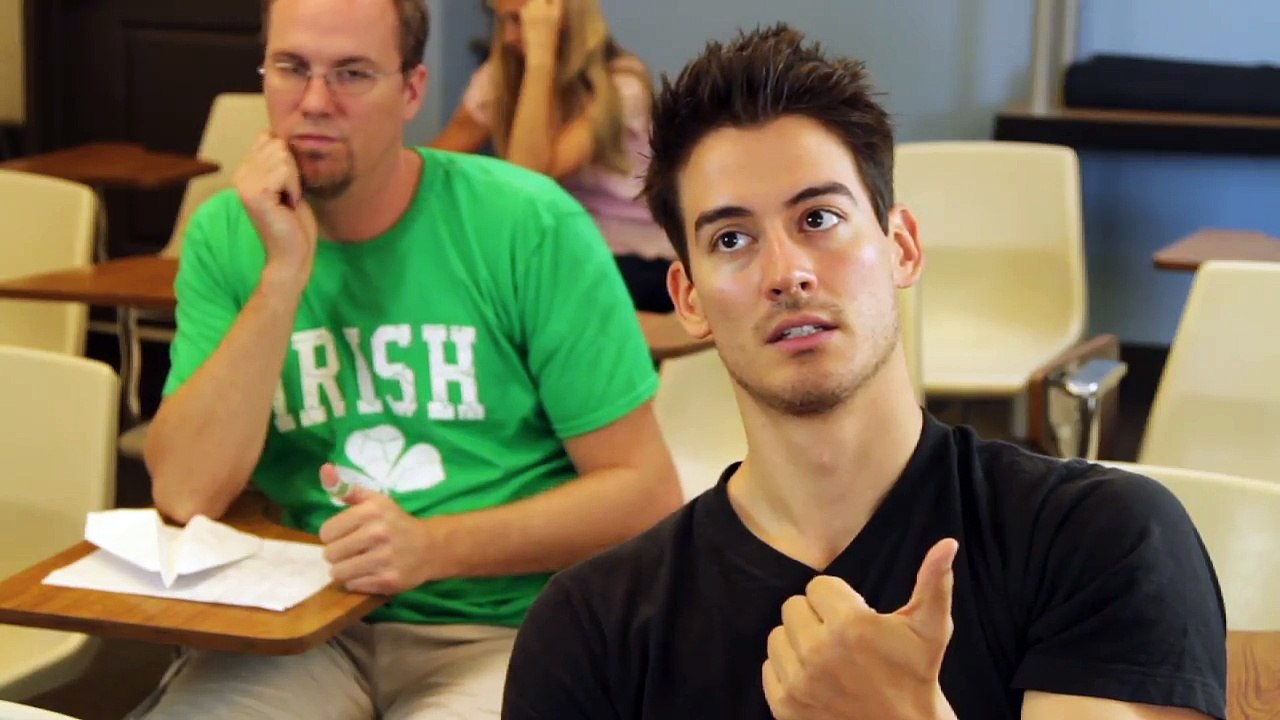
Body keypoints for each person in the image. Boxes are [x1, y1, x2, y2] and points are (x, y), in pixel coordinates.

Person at [501, 24, 1227, 720]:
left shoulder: (1103, 537)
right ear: (689, 299)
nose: (786, 272)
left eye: (818, 218)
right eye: (731, 239)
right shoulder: (590, 628)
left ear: (902, 247)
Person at [136, 0, 681, 716]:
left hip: (499, 631)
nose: (315, 102)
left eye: (352, 73)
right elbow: (184, 492)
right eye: (292, 68)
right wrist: (282, 278)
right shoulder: (227, 235)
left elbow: (642, 496)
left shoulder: (527, 223)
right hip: (298, 627)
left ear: (413, 90)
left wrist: (432, 547)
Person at [430, 0, 678, 317]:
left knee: (526, 289)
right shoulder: (503, 74)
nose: (508, 37)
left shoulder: (621, 88)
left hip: (640, 258)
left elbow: (527, 176)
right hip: (571, 245)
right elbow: (442, 153)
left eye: (519, 20)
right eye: (502, 22)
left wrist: (541, 59)